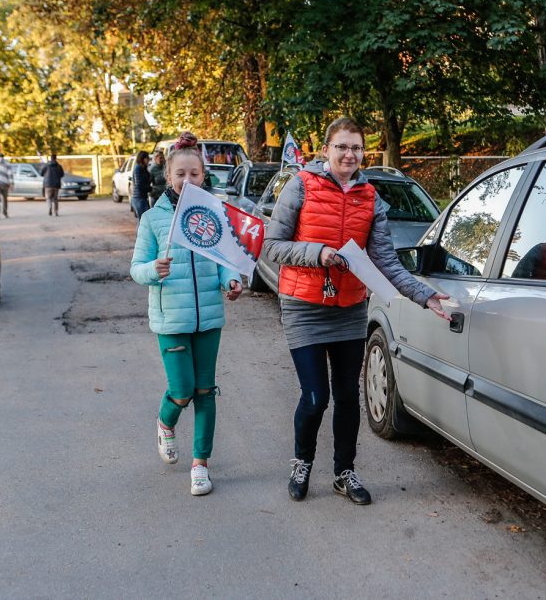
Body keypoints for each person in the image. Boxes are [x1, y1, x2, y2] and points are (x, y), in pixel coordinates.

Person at [263, 116, 451, 506]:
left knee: (349, 396)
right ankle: (302, 462)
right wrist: (319, 253)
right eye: (342, 147)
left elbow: (386, 260)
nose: (349, 154)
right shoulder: (301, 186)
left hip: (348, 307)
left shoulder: (371, 198)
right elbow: (272, 246)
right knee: (316, 397)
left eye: (356, 148)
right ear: (325, 150)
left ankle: (343, 472)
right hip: (304, 306)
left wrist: (425, 296)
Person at [130, 132, 243, 496]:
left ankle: (200, 465)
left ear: (203, 175)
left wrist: (231, 281)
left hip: (209, 317)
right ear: (168, 175)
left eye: (195, 174)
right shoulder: (152, 218)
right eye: (181, 174)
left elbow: (225, 260)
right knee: (181, 390)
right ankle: (166, 423)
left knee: (205, 390)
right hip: (171, 319)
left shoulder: (214, 211)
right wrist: (153, 270)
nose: (188, 180)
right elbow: (136, 267)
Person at [131, 150, 151, 219]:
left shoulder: (143, 168)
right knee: (143, 221)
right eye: (147, 158)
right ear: (143, 158)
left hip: (143, 197)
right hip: (138, 198)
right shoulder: (138, 168)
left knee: (145, 221)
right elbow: (139, 185)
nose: (148, 160)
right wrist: (151, 189)